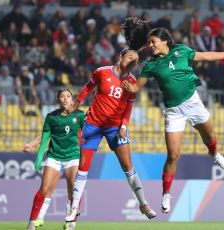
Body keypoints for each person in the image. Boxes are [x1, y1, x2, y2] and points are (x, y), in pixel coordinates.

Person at [121, 19, 224, 213]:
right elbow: (137, 87)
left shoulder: (182, 50)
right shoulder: (150, 65)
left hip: (194, 103)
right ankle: (166, 194)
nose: (151, 45)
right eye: (150, 42)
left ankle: (214, 154)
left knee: (210, 138)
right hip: (173, 111)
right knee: (173, 155)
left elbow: (207, 56)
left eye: (154, 41)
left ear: (165, 41)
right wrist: (130, 87)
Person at [65, 48, 157, 223]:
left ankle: (143, 203)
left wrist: (124, 125)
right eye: (130, 57)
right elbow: (87, 88)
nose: (132, 61)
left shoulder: (132, 82)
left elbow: (128, 107)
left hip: (115, 128)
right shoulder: (102, 72)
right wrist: (76, 104)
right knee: (83, 168)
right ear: (120, 56)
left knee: (128, 167)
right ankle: (74, 207)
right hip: (92, 125)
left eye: (136, 60)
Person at [25, 89, 84, 230]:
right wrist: (37, 155)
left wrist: (89, 150)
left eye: (68, 96)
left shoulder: (80, 115)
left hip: (73, 157)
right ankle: (32, 222)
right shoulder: (51, 117)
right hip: (54, 156)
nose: (65, 99)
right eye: (62, 96)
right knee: (44, 189)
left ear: (72, 100)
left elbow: (86, 134)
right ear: (58, 99)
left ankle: (71, 222)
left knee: (73, 190)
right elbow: (46, 137)